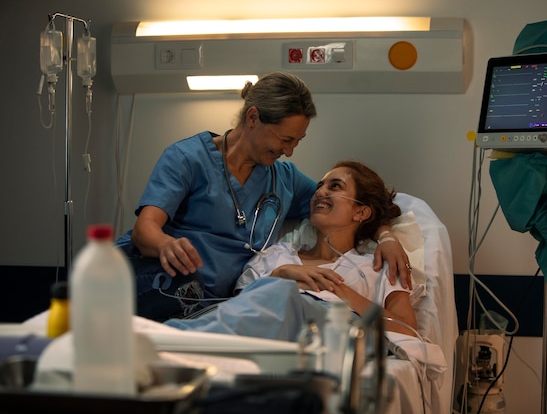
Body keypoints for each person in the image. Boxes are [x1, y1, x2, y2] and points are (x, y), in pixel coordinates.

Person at [115, 72, 411, 322]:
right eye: (285, 139)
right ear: (253, 118)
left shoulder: (285, 179)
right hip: (159, 277)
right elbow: (146, 230)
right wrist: (166, 244)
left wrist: (386, 236)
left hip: (211, 305)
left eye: (297, 141)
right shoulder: (187, 158)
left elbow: (351, 206)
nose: (291, 150)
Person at [164, 160, 418, 339]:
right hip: (261, 337)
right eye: (320, 185)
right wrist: (280, 276)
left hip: (328, 332)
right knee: (280, 295)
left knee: (288, 298)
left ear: (361, 211)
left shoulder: (377, 266)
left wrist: (340, 292)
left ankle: (168, 339)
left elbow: (408, 329)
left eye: (335, 186)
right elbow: (238, 313)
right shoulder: (276, 256)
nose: (320, 192)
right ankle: (168, 338)